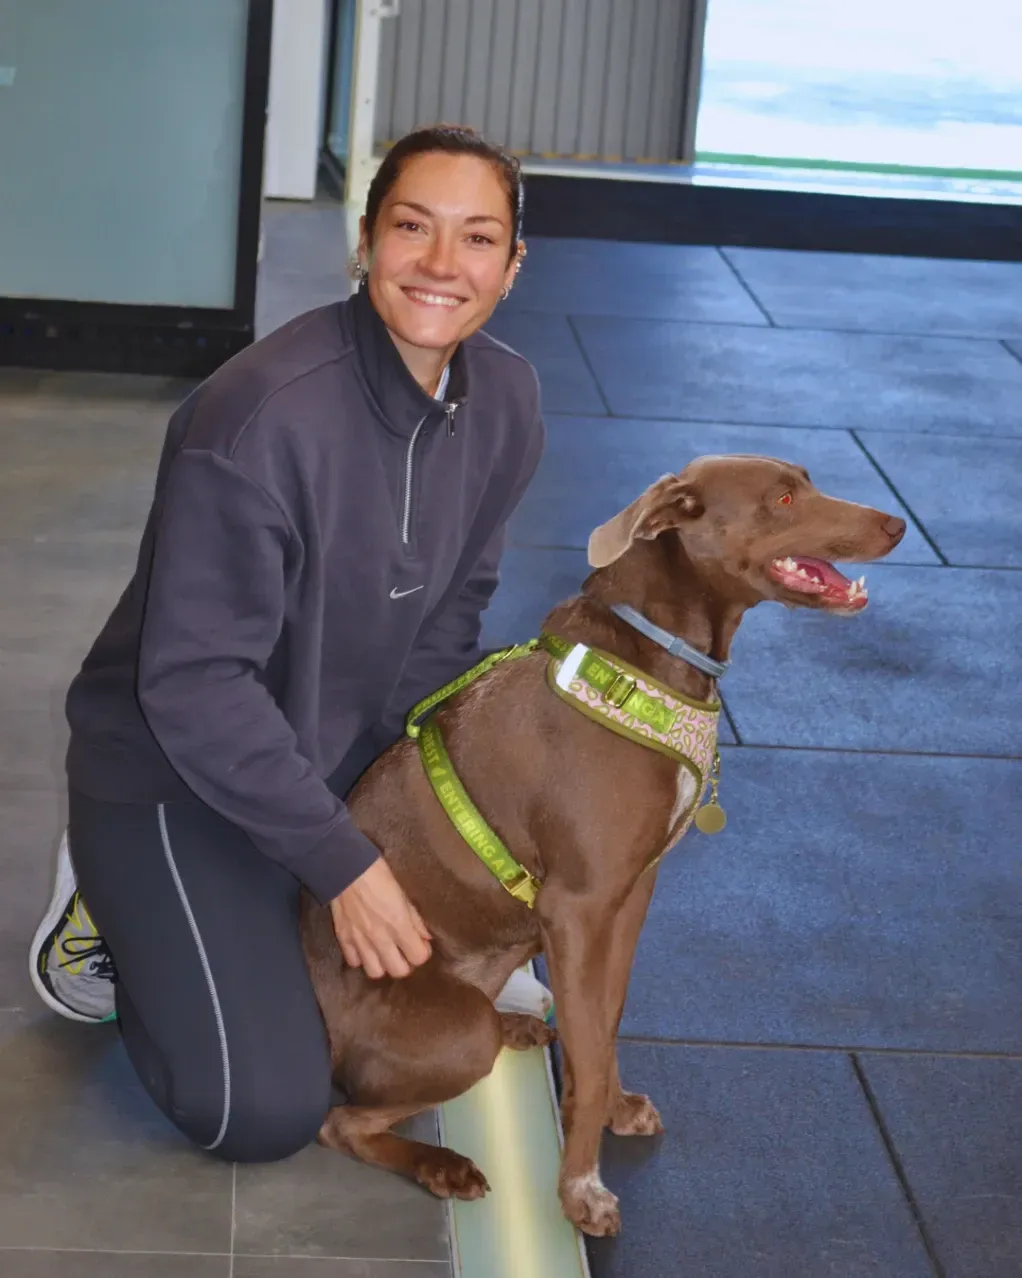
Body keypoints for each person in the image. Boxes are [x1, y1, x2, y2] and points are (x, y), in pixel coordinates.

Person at [28, 125, 550, 1163]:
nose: (442, 265)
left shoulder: (507, 403)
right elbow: (194, 687)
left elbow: (452, 615)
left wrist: (404, 820)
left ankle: (250, 906)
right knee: (259, 1110)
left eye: (477, 238)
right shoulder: (258, 417)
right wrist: (345, 865)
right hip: (174, 771)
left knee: (383, 1013)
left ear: (511, 265)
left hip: (330, 758)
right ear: (364, 241)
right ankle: (103, 904)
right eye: (412, 228)